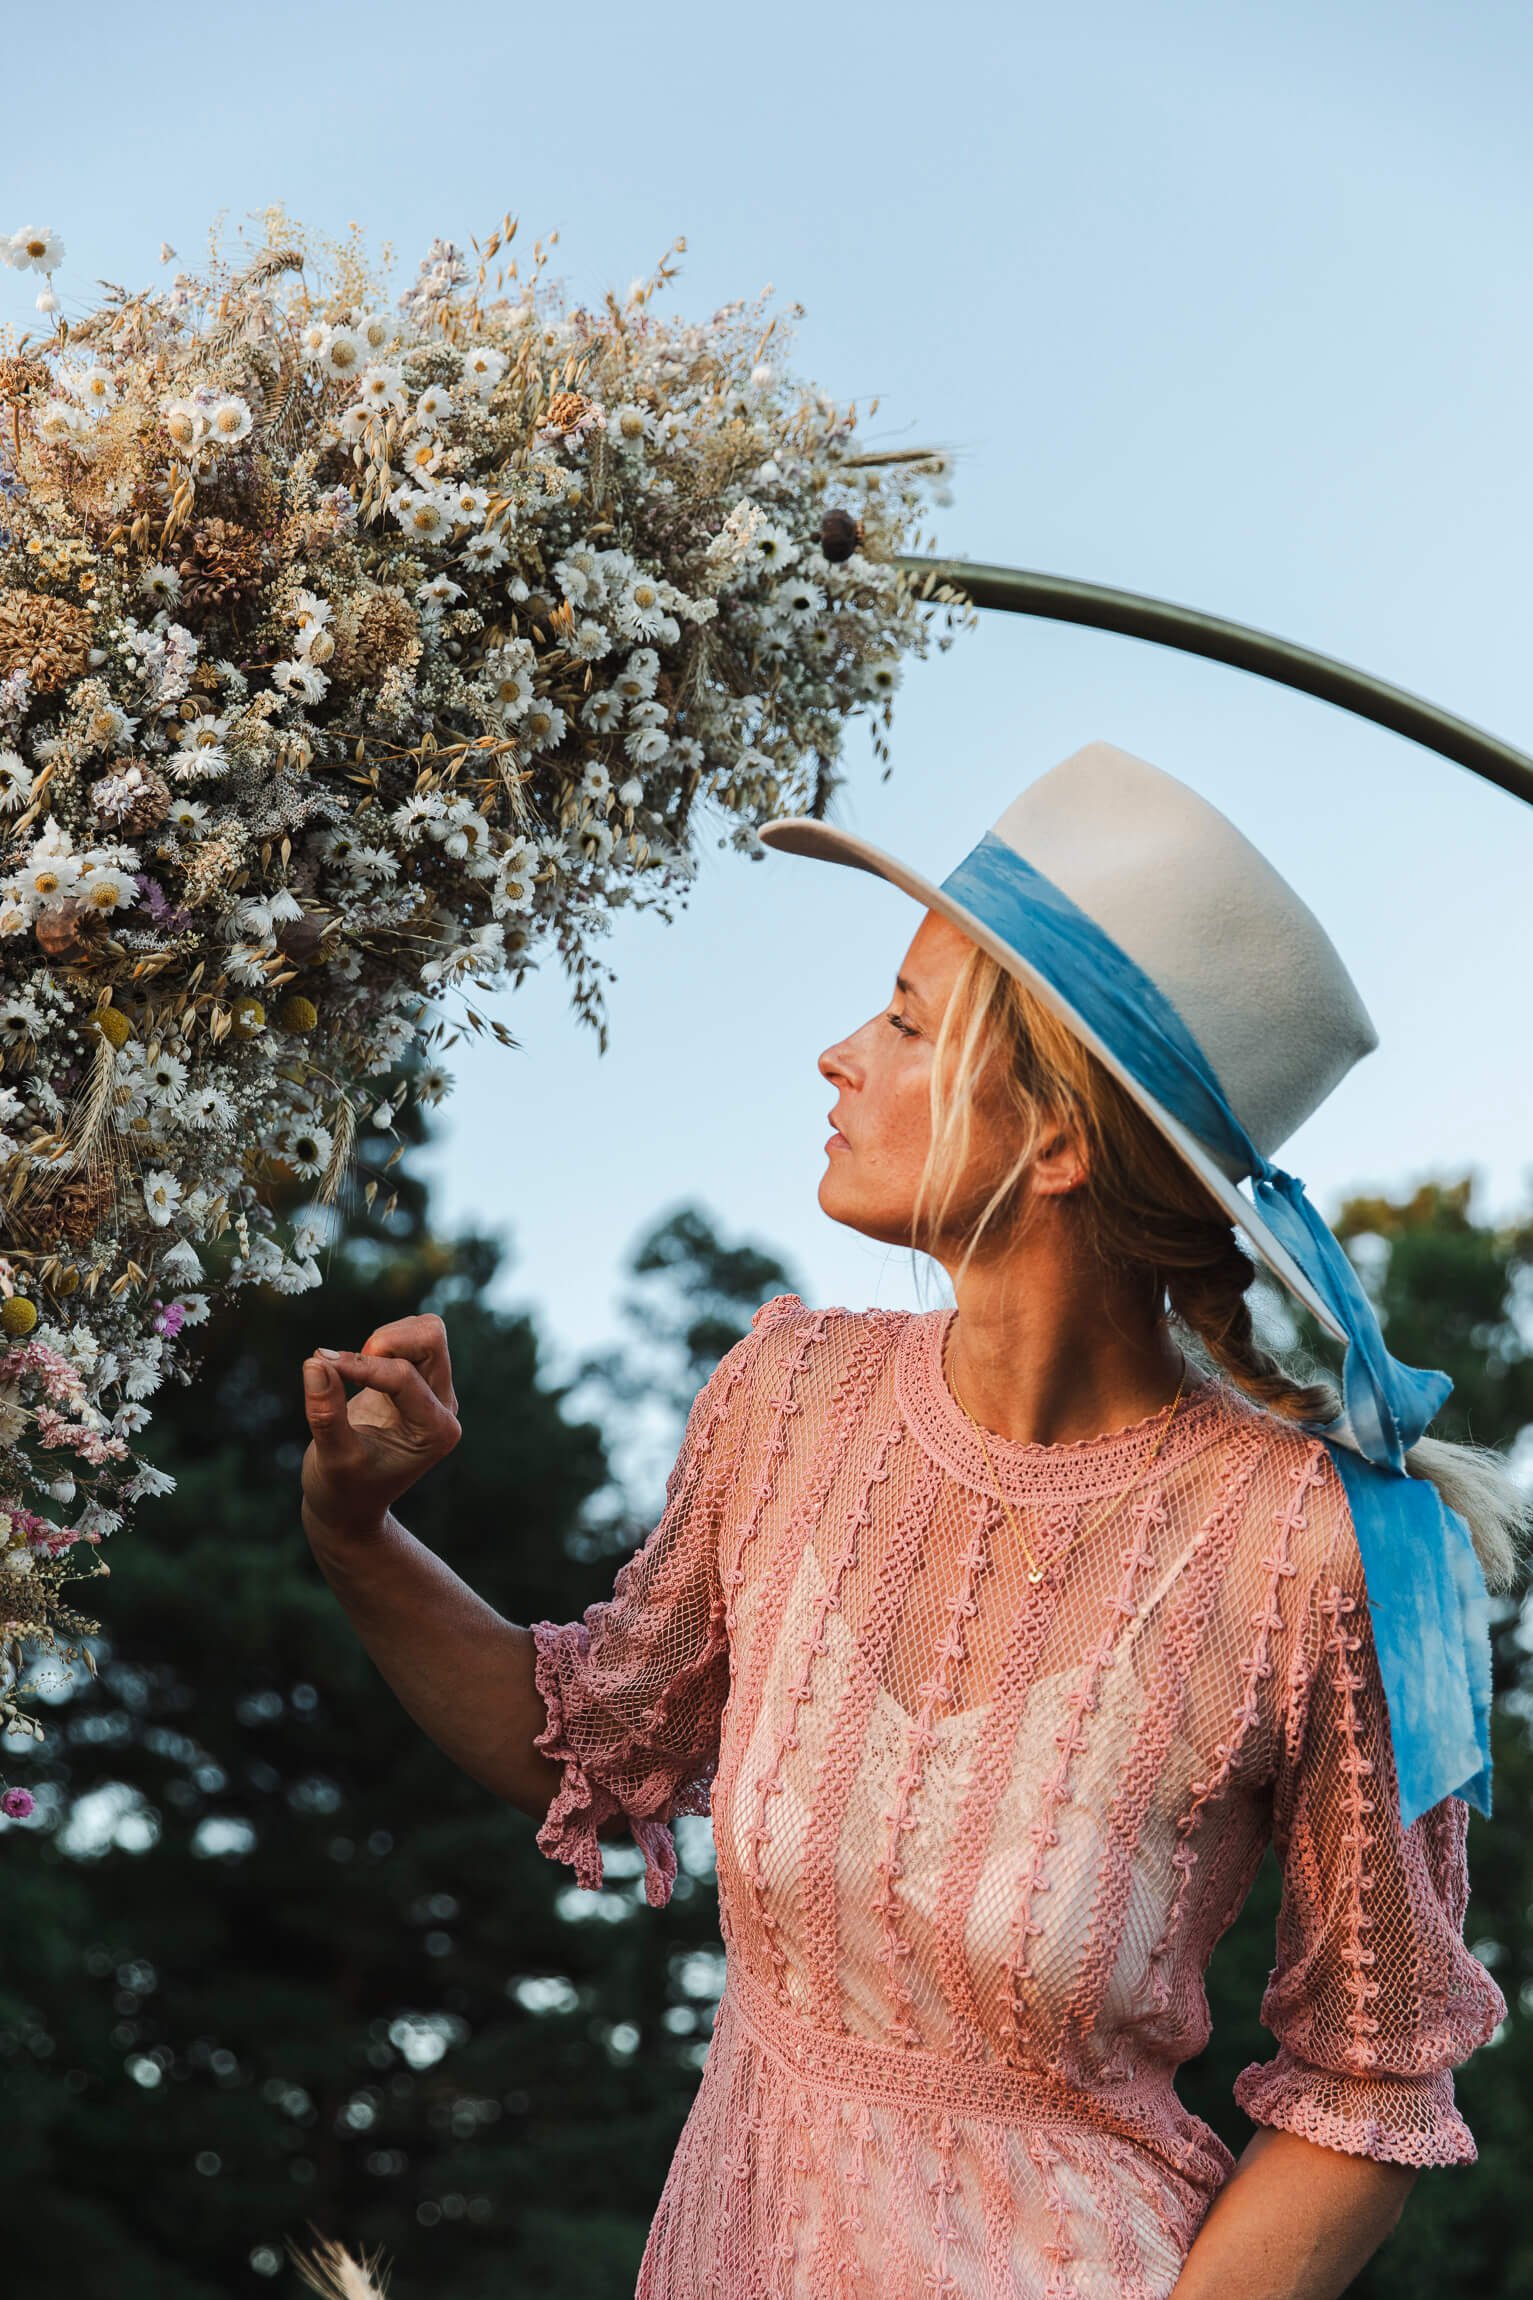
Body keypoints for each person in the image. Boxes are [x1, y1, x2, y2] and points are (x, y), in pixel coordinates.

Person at [299, 740, 1523, 2300]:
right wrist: (355, 1532)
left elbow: (1369, 2087)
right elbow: (590, 1742)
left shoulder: (1331, 1557)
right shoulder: (783, 1398)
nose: (836, 1054)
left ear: (1058, 1139)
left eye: (902, 1020)